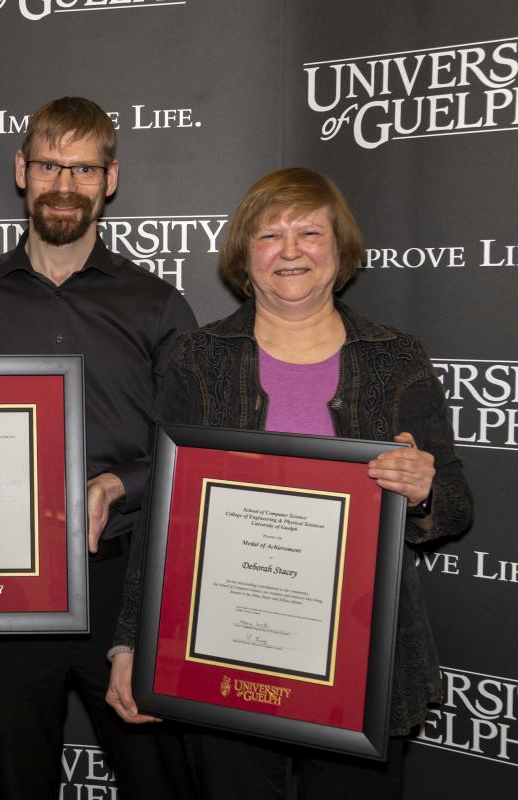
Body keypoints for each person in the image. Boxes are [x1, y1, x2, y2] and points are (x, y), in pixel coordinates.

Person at [106, 167, 473, 798]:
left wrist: (424, 489)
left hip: (359, 669)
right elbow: (164, 517)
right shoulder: (200, 358)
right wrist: (127, 644)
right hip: (222, 657)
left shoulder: (395, 356)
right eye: (270, 235)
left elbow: (456, 504)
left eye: (310, 231)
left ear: (341, 249)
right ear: (245, 256)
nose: (292, 249)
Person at [0, 96, 197, 800]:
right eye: (50, 164)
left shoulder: (158, 306)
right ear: (22, 169)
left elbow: (187, 451)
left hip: (125, 584)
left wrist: (117, 484)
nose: (64, 183)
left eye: (83, 169)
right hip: (6, 591)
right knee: (15, 784)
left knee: (160, 783)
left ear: (110, 180)